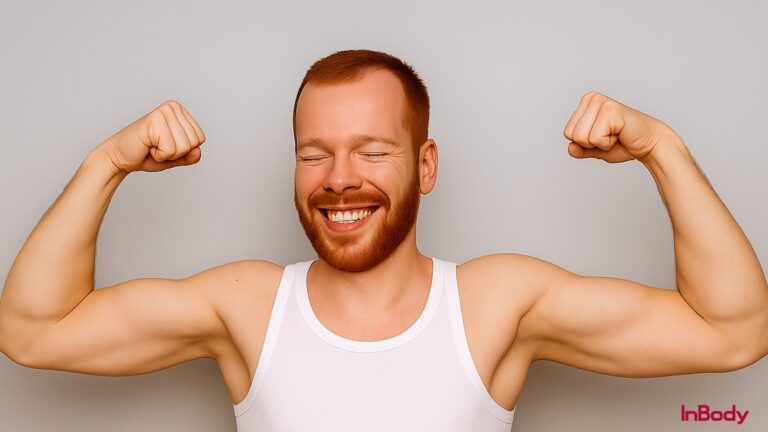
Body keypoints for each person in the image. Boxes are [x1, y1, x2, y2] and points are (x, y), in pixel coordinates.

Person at [0, 49, 766, 431]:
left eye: (373, 151)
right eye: (314, 154)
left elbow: (732, 331)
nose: (339, 179)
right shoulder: (249, 304)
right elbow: (34, 332)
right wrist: (107, 165)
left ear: (425, 165)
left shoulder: (495, 305)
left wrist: (662, 148)